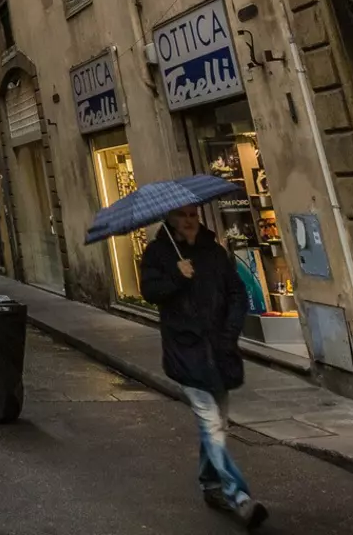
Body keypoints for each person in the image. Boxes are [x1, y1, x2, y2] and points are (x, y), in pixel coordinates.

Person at [141, 204, 267, 529]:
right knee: (211, 424)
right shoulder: (158, 253)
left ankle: (210, 484)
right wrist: (176, 277)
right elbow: (150, 292)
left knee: (216, 426)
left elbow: (237, 293)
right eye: (182, 216)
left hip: (220, 351)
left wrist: (229, 333)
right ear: (170, 220)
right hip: (186, 352)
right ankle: (239, 497)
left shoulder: (214, 252)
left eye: (193, 215)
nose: (189, 221)